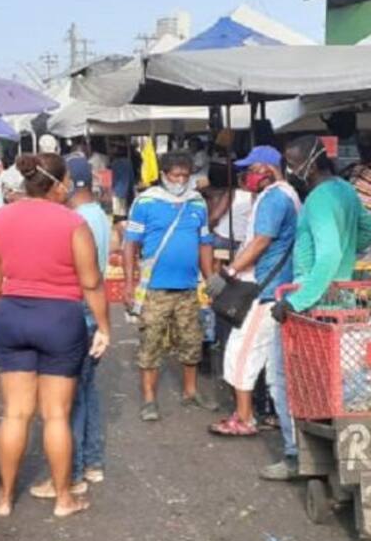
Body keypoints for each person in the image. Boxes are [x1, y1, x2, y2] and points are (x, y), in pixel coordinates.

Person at [0, 153, 110, 519]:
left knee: (15, 413)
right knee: (55, 415)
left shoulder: (1, 217)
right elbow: (91, 282)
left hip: (11, 316)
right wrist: (104, 326)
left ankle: (4, 497)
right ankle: (63, 499)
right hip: (60, 320)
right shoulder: (73, 222)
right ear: (57, 184)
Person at [263, 135, 371, 481]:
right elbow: (369, 232)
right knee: (337, 377)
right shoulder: (345, 190)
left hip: (311, 304)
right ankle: (334, 451)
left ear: (311, 163)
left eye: (292, 162)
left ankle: (295, 455)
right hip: (341, 297)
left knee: (284, 378)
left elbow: (328, 253)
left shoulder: (316, 200)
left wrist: (296, 300)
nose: (290, 170)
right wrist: (344, 260)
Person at [31, 156, 110, 497]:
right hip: (91, 314)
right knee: (86, 393)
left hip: (75, 313)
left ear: (68, 183)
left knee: (69, 401)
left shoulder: (75, 220)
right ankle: (91, 464)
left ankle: (71, 474)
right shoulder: (99, 216)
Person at [123, 151, 222, 421]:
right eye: (174, 175)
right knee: (151, 344)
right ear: (163, 175)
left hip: (188, 288)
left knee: (192, 342)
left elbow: (204, 244)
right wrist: (129, 284)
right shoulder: (146, 202)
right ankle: (149, 399)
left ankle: (190, 392)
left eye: (184, 176)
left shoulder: (197, 203)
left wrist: (209, 277)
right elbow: (130, 244)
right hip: (154, 288)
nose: (179, 181)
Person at [208, 146, 300, 437]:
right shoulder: (290, 195)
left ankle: (244, 417)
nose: (245, 176)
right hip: (278, 287)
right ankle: (275, 416)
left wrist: (229, 272)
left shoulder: (273, 198)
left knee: (242, 352)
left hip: (264, 290)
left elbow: (260, 241)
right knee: (271, 361)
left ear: (267, 170)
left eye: (250, 170)